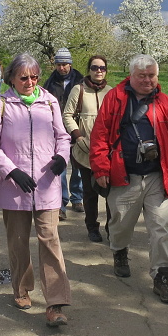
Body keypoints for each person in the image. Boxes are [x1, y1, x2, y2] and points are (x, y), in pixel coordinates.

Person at [0, 53, 72, 327]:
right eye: (24, 78)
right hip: (15, 188)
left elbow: (63, 137)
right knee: (18, 242)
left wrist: (62, 157)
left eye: (34, 77)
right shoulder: (2, 104)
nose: (30, 82)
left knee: (50, 241)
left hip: (47, 186)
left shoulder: (50, 101)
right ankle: (21, 289)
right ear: (11, 78)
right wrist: (11, 171)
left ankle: (56, 302)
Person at [89, 54, 168, 304]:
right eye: (142, 76)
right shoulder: (116, 98)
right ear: (131, 76)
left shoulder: (165, 102)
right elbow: (100, 134)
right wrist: (101, 168)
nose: (147, 80)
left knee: (160, 227)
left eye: (151, 75)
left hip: (157, 175)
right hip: (125, 175)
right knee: (121, 224)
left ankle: (162, 277)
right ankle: (120, 252)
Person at [62, 55, 113, 243]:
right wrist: (77, 136)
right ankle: (92, 226)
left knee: (110, 192)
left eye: (102, 68)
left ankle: (111, 227)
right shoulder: (78, 90)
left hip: (107, 152)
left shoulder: (111, 92)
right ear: (89, 70)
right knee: (89, 192)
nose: (98, 71)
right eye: (94, 67)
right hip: (85, 150)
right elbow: (67, 115)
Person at [42, 47, 85, 219]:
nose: (62, 68)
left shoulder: (81, 81)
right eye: (59, 64)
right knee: (59, 167)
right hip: (57, 128)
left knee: (78, 166)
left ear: (70, 64)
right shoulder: (50, 82)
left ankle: (77, 197)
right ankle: (61, 203)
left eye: (65, 64)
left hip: (76, 127)